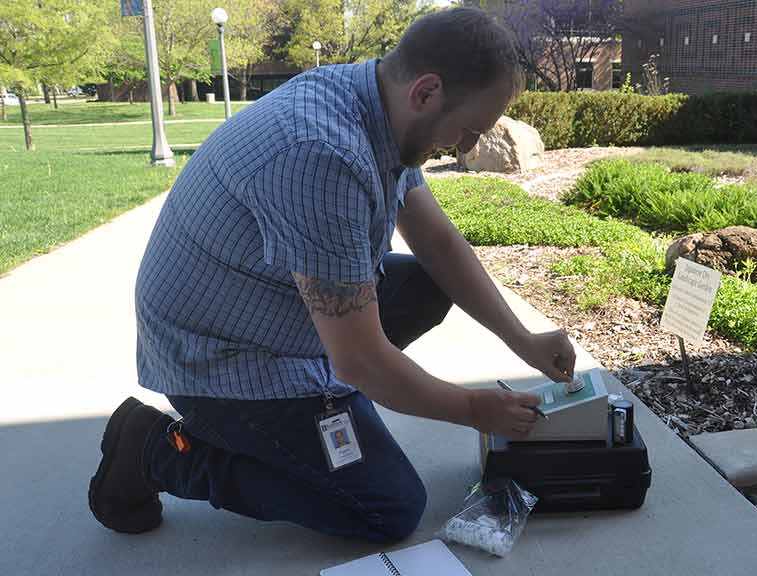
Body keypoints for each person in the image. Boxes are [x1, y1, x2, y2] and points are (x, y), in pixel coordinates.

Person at [88, 7, 576, 542]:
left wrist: (522, 339)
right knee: (387, 508)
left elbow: (437, 241)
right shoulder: (321, 153)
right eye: (468, 131)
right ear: (427, 91)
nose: (464, 148)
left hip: (271, 305)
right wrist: (475, 409)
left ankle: (325, 415)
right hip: (218, 359)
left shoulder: (379, 103)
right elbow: (361, 360)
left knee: (430, 285)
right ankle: (157, 450)